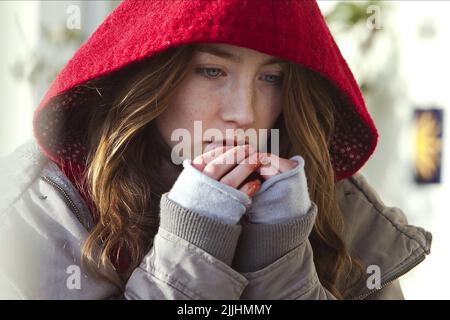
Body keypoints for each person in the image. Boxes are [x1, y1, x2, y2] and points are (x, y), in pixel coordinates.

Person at [0, 0, 431, 299]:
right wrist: (195, 242)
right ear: (151, 74)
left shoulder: (337, 205)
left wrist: (280, 254)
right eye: (211, 70)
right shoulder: (42, 208)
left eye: (272, 78)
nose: (245, 113)